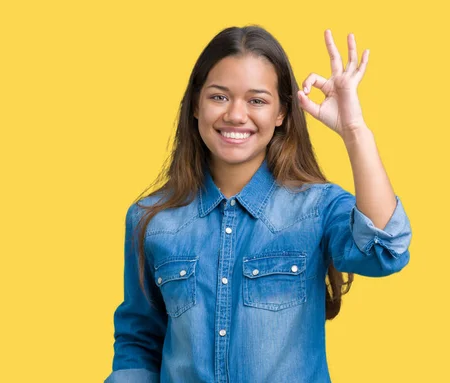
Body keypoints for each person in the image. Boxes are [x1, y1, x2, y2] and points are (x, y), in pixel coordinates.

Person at [105, 25, 412, 383]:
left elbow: (386, 250)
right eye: (219, 97)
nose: (236, 114)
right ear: (195, 105)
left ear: (282, 113)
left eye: (257, 100)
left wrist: (354, 129)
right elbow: (138, 341)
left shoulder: (317, 208)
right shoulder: (150, 219)